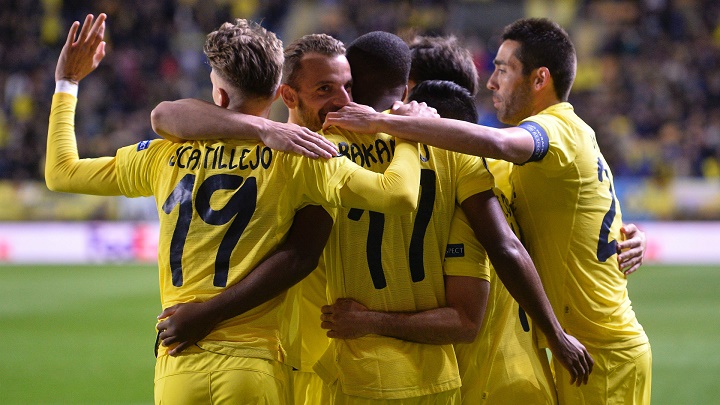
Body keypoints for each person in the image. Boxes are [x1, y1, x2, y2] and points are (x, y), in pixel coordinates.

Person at [151, 30, 594, 403]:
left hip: (341, 366)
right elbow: (506, 242)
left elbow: (300, 251)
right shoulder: (458, 155)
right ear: (406, 90)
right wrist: (556, 331)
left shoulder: (321, 147)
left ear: (353, 85)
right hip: (439, 375)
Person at [46, 15, 423, 404]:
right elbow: (395, 196)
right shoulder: (301, 158)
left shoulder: (164, 155)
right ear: (281, 94)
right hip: (254, 365)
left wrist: (67, 84)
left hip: (179, 359)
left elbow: (62, 172)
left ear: (219, 96)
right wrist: (409, 131)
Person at [325, 18, 651, 404]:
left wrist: (387, 123)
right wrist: (628, 235)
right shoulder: (499, 172)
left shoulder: (543, 136)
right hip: (561, 357)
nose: (492, 83)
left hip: (592, 351)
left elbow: (501, 153)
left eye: (502, 69)